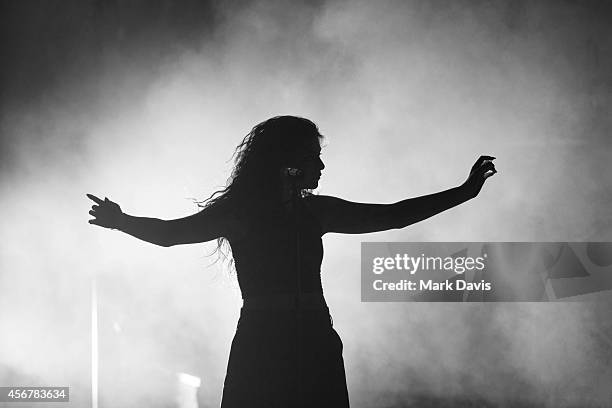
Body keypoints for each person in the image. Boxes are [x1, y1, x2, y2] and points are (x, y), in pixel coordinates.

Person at [87, 115, 496, 407]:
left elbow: (390, 215)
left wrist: (463, 193)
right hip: (264, 340)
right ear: (289, 162)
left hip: (314, 338)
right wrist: (121, 221)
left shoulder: (314, 212)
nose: (321, 165)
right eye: (313, 156)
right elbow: (170, 234)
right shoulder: (240, 212)